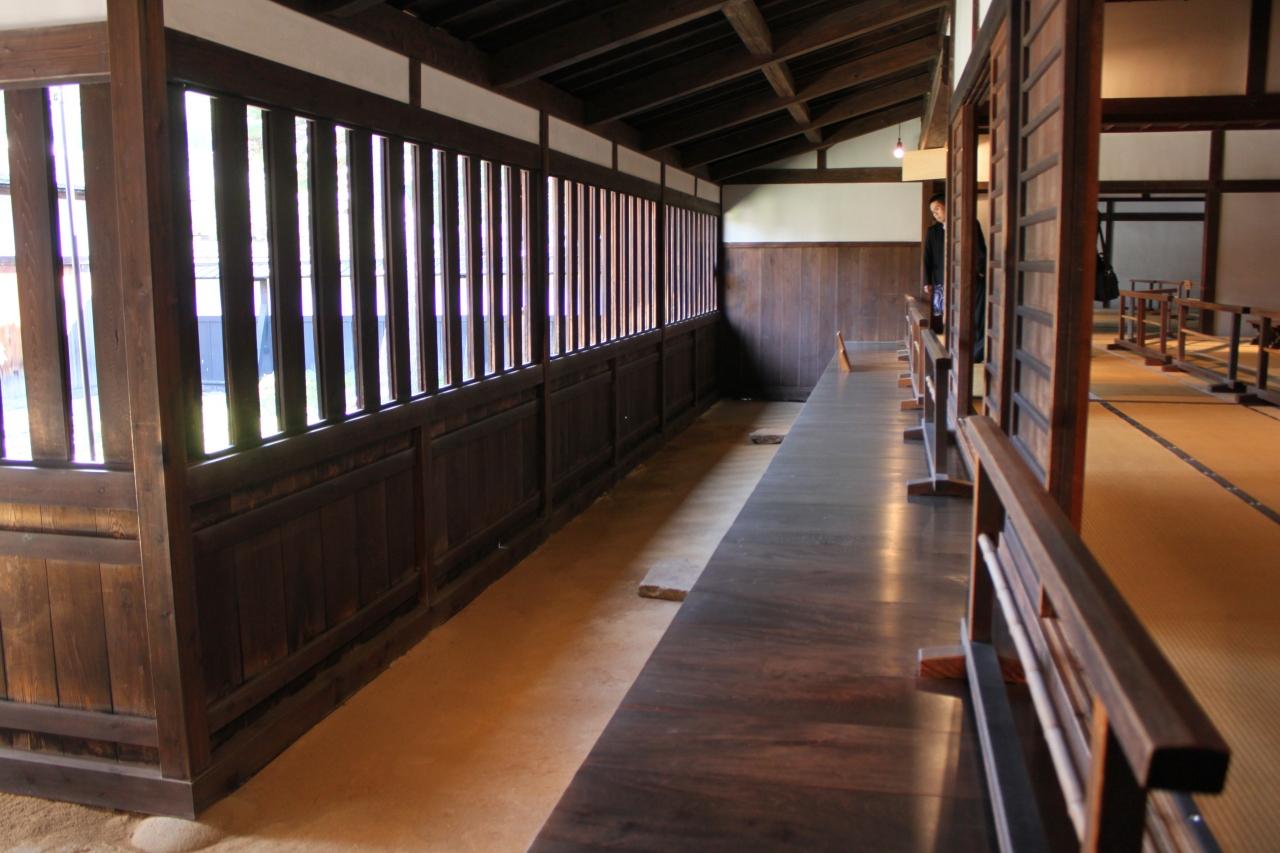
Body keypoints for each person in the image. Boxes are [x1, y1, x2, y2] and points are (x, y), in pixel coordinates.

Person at [921, 192, 988, 362]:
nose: (935, 214)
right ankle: (954, 350)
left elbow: (980, 250)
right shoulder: (933, 231)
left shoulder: (969, 223)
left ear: (948, 206)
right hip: (942, 281)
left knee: (975, 317)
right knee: (950, 318)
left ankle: (975, 354)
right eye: (932, 211)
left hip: (970, 280)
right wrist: (927, 281)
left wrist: (980, 273)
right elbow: (927, 257)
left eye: (937, 209)